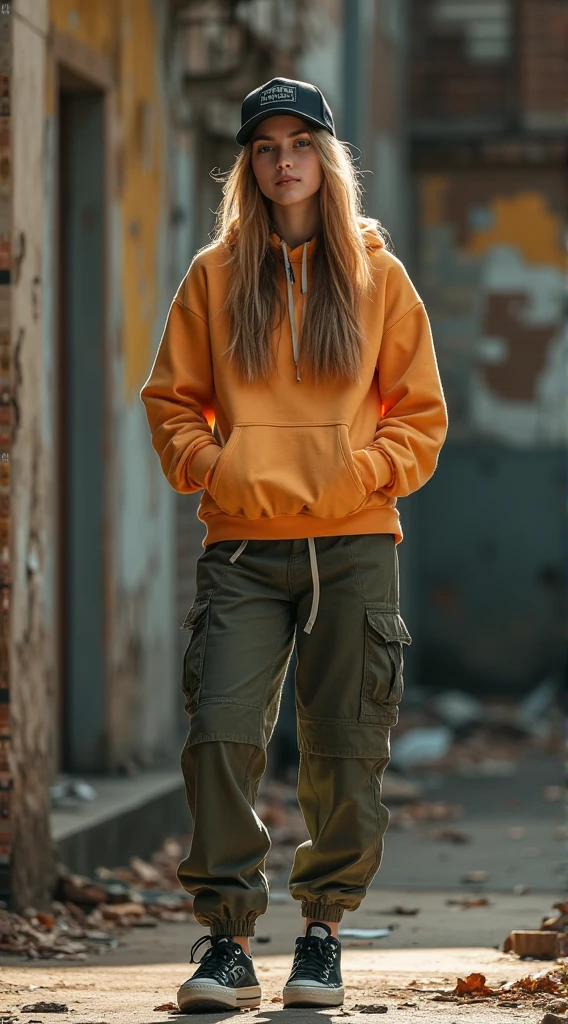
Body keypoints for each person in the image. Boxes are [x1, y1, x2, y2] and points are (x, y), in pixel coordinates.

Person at [141, 76, 447, 1013]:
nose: (284, 162)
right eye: (266, 148)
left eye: (300, 144)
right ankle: (228, 942)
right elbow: (170, 400)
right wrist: (218, 468)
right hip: (243, 547)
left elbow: (423, 417)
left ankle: (322, 936)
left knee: (345, 750)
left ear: (327, 158)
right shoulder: (215, 274)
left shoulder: (377, 275)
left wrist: (361, 473)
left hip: (354, 543)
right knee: (221, 738)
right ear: (250, 165)